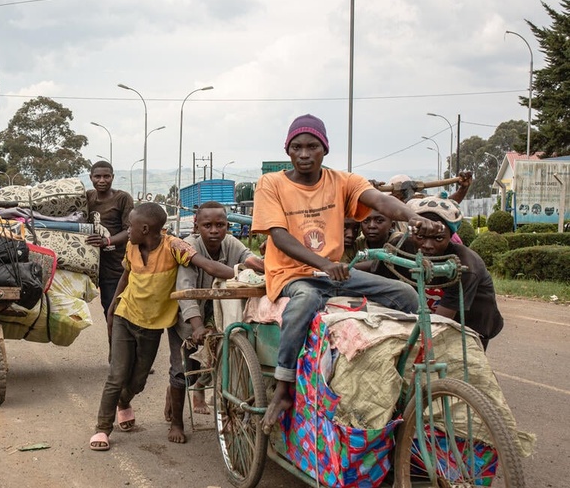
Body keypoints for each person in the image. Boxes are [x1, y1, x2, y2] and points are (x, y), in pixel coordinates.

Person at [251, 114, 445, 435]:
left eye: (312, 147)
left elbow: (380, 200)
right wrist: (324, 264)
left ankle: (414, 371)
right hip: (291, 274)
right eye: (297, 147)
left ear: (325, 149)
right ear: (287, 150)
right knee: (306, 300)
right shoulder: (271, 184)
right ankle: (284, 387)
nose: (304, 154)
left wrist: (413, 218)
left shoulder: (342, 181)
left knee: (405, 294)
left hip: (334, 274)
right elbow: (279, 237)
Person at [88, 203, 234, 451]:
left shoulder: (174, 247)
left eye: (130, 226)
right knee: (116, 374)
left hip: (153, 326)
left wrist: (240, 273)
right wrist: (112, 307)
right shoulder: (132, 246)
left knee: (138, 381)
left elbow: (207, 265)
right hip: (126, 316)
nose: (127, 230)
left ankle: (123, 401)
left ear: (145, 229)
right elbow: (126, 276)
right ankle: (102, 428)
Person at [164, 201, 264, 444]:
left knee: (219, 364)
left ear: (227, 226)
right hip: (187, 320)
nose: (214, 230)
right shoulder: (189, 248)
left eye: (220, 225)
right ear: (197, 225)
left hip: (220, 318)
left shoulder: (232, 244)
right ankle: (176, 422)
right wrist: (197, 326)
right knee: (182, 371)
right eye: (207, 225)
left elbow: (250, 259)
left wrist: (265, 263)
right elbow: (185, 289)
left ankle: (225, 411)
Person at [401, 196, 504, 350]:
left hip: (471, 325)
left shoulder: (464, 265)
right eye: (421, 236)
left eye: (438, 238)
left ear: (451, 236)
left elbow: (439, 323)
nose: (427, 245)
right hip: (434, 315)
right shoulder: (404, 247)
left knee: (465, 363)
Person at [86, 160, 134, 358]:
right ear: (91, 178)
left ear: (112, 177)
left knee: (125, 312)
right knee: (110, 310)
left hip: (119, 266)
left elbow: (130, 230)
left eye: (106, 176)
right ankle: (117, 356)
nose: (102, 180)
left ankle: (126, 358)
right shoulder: (87, 198)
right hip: (98, 268)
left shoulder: (122, 198)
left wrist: (107, 241)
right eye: (97, 176)